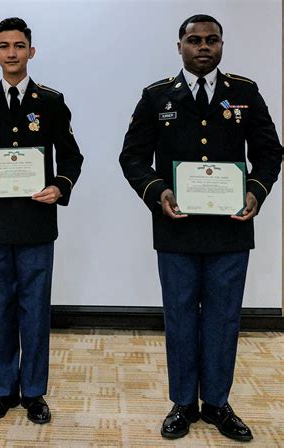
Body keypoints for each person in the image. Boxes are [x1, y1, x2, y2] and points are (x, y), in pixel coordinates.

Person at [119, 14, 281, 442]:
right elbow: (132, 157)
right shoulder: (157, 97)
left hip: (231, 229)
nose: (203, 47)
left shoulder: (244, 93)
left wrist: (255, 192)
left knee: (224, 319)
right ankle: (182, 404)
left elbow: (270, 152)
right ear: (180, 47)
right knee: (180, 317)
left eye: (212, 40)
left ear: (222, 45)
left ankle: (218, 403)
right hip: (177, 230)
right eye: (194, 40)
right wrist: (158, 192)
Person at [0, 17, 83, 424]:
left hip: (35, 223)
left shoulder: (50, 101)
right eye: (5, 46)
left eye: (19, 45)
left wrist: (60, 187)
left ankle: (33, 392)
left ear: (32, 51)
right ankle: (2, 390)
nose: (12, 53)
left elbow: (71, 156)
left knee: (34, 310)